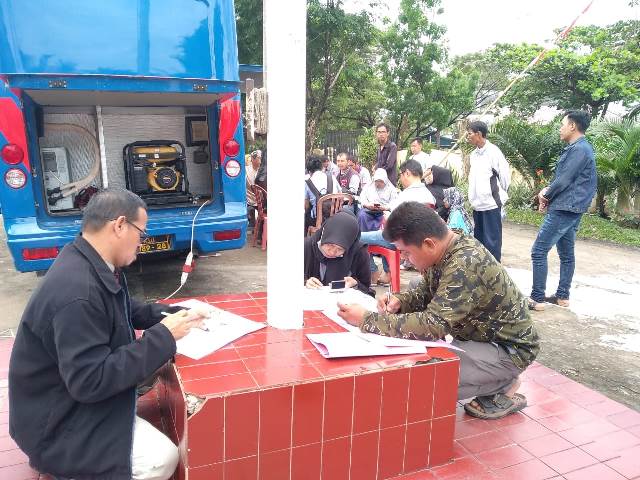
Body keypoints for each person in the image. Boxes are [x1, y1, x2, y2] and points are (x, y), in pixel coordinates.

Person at [8, 188, 207, 479]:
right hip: (55, 427)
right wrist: (164, 336)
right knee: (162, 459)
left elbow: (125, 307)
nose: (142, 242)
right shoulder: (78, 292)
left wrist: (174, 313)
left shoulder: (89, 259)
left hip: (64, 400)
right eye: (141, 233)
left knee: (154, 363)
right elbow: (90, 382)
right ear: (120, 225)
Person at [337, 202, 539, 419]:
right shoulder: (446, 245)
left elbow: (433, 324)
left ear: (428, 244)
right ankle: (482, 371)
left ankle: (504, 382)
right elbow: (425, 291)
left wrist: (367, 319)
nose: (403, 258)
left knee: (425, 380)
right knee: (416, 284)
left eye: (405, 252)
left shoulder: (464, 264)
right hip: (476, 336)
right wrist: (400, 302)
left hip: (507, 350)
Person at [529, 111, 597, 311]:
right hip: (572, 207)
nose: (560, 128)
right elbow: (567, 179)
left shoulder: (579, 149)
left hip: (565, 207)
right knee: (566, 254)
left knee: (539, 251)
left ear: (573, 126)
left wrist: (546, 195)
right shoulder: (581, 148)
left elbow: (564, 179)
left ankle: (537, 298)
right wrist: (549, 193)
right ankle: (562, 296)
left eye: (562, 124)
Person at [360, 160, 436, 285]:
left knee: (357, 237)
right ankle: (388, 272)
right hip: (418, 238)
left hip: (401, 239)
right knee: (385, 233)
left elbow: (392, 218)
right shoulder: (428, 195)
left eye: (400, 175)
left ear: (407, 173)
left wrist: (386, 215)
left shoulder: (406, 195)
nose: (400, 179)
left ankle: (373, 271)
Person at [467, 120, 511, 262]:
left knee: (492, 242)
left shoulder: (493, 152)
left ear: (479, 134)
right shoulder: (473, 155)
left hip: (491, 204)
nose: (468, 136)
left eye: (470, 134)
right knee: (479, 242)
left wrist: (499, 194)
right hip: (477, 205)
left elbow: (504, 176)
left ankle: (495, 271)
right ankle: (482, 271)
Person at [304, 210, 373, 297]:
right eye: (330, 245)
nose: (332, 252)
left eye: (340, 249)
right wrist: (305, 282)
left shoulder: (358, 252)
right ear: (323, 234)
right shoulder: (306, 247)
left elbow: (367, 289)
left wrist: (356, 284)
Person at [305, 155, 340, 232]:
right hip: (336, 216)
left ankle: (309, 238)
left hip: (317, 221)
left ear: (309, 171)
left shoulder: (307, 183)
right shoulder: (332, 177)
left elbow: (306, 206)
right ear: (321, 167)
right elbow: (340, 194)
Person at [357, 168, 398, 232]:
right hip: (368, 210)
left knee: (388, 218)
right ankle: (363, 236)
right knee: (362, 215)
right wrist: (367, 205)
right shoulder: (368, 186)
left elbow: (395, 202)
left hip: (383, 211)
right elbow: (362, 198)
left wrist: (385, 207)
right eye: (376, 181)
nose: (378, 183)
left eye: (381, 181)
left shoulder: (391, 189)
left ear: (385, 181)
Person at [375, 122, 398, 186]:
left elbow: (389, 166)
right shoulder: (378, 147)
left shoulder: (392, 146)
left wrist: (377, 172)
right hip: (380, 182)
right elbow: (379, 163)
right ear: (376, 133)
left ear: (388, 133)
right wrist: (375, 167)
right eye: (379, 132)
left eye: (383, 132)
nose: (381, 134)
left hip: (389, 183)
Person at [246, 150, 262, 233]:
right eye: (258, 158)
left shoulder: (263, 171)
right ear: (252, 159)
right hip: (249, 200)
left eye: (260, 158)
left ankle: (260, 230)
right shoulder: (246, 170)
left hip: (261, 201)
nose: (260, 160)